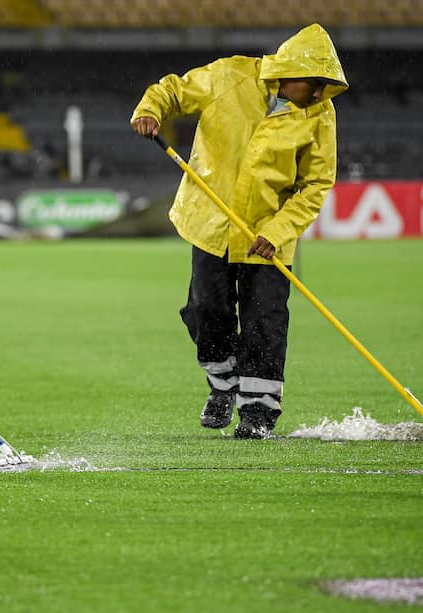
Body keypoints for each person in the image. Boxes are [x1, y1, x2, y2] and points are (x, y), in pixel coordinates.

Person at [130, 24, 348, 439]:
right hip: (211, 223)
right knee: (207, 312)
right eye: (316, 84)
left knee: (265, 321)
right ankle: (222, 384)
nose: (320, 94)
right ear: (291, 70)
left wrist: (280, 230)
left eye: (325, 87)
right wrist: (149, 110)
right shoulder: (230, 77)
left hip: (268, 237)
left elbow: (316, 184)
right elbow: (173, 90)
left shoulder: (320, 116)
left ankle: (258, 413)